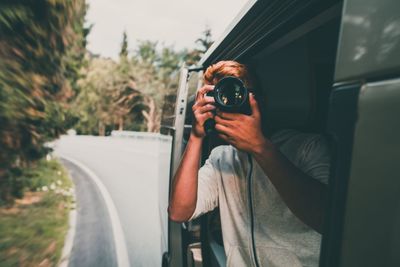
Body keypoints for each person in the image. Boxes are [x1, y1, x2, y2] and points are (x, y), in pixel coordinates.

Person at [168, 60, 330, 267]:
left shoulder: (308, 147)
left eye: (239, 92)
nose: (231, 101)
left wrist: (260, 147)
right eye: (222, 95)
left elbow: (327, 220)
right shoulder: (221, 159)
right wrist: (197, 137)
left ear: (260, 100)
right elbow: (178, 211)